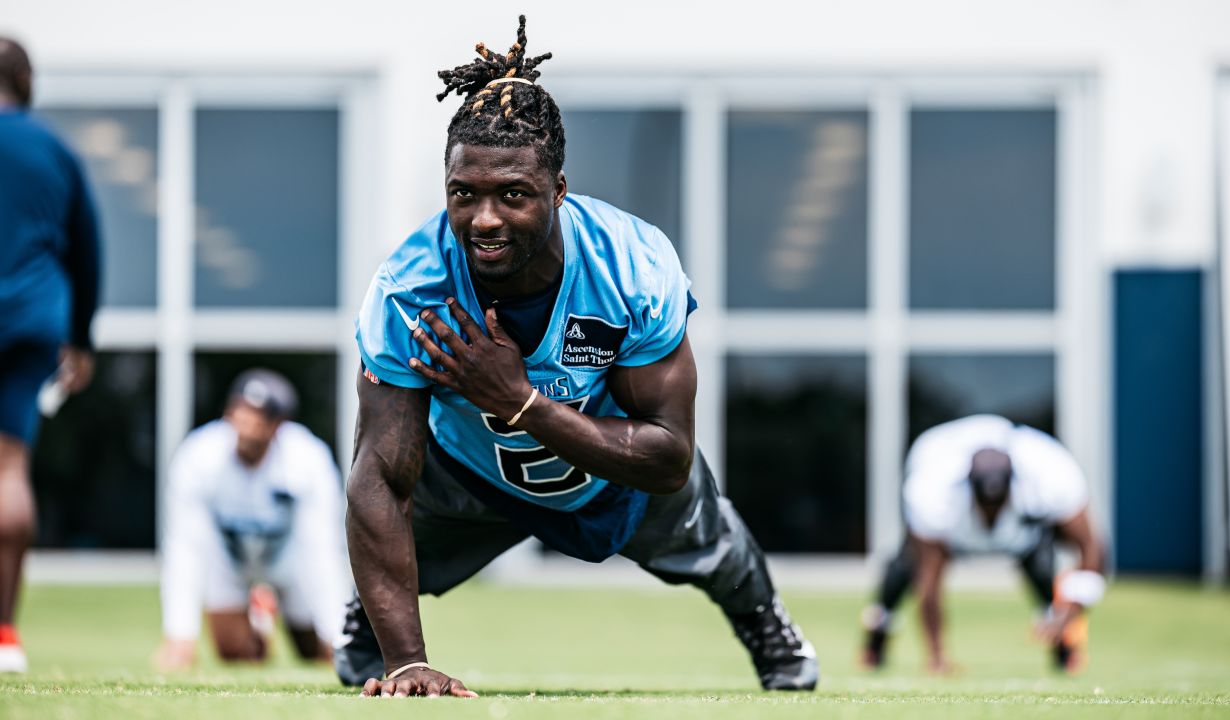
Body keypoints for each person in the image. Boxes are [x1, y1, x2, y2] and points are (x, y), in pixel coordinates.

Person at [339, 16, 818, 698]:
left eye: (513, 194)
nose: (484, 219)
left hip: (611, 471)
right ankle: (375, 626)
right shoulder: (410, 292)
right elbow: (378, 478)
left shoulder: (631, 266)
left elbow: (668, 454)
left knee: (709, 539)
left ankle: (767, 624)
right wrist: (409, 660)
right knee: (402, 538)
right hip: (470, 470)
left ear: (558, 190)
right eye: (464, 194)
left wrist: (521, 402)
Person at [860, 414, 1107, 674]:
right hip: (953, 528)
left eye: (998, 500)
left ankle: (1063, 646)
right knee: (906, 566)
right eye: (985, 500)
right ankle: (876, 637)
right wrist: (936, 657)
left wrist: (1069, 614)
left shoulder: (1051, 473)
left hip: (1023, 536)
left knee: (1044, 568)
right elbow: (929, 582)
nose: (991, 510)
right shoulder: (932, 487)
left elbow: (1092, 547)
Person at [0, 37, 101, 674]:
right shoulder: (56, 151)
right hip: (31, 322)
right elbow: (88, 250)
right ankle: (3, 635)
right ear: (26, 82)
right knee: (9, 471)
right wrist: (82, 338)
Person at [154, 369, 350, 670]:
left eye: (258, 417)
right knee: (236, 654)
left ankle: (274, 613)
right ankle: (260, 623)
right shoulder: (197, 457)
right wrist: (180, 635)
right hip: (229, 562)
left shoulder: (308, 460)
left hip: (290, 562)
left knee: (317, 653)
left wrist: (338, 636)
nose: (247, 425)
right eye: (240, 412)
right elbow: (185, 547)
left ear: (278, 426)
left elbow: (322, 549)